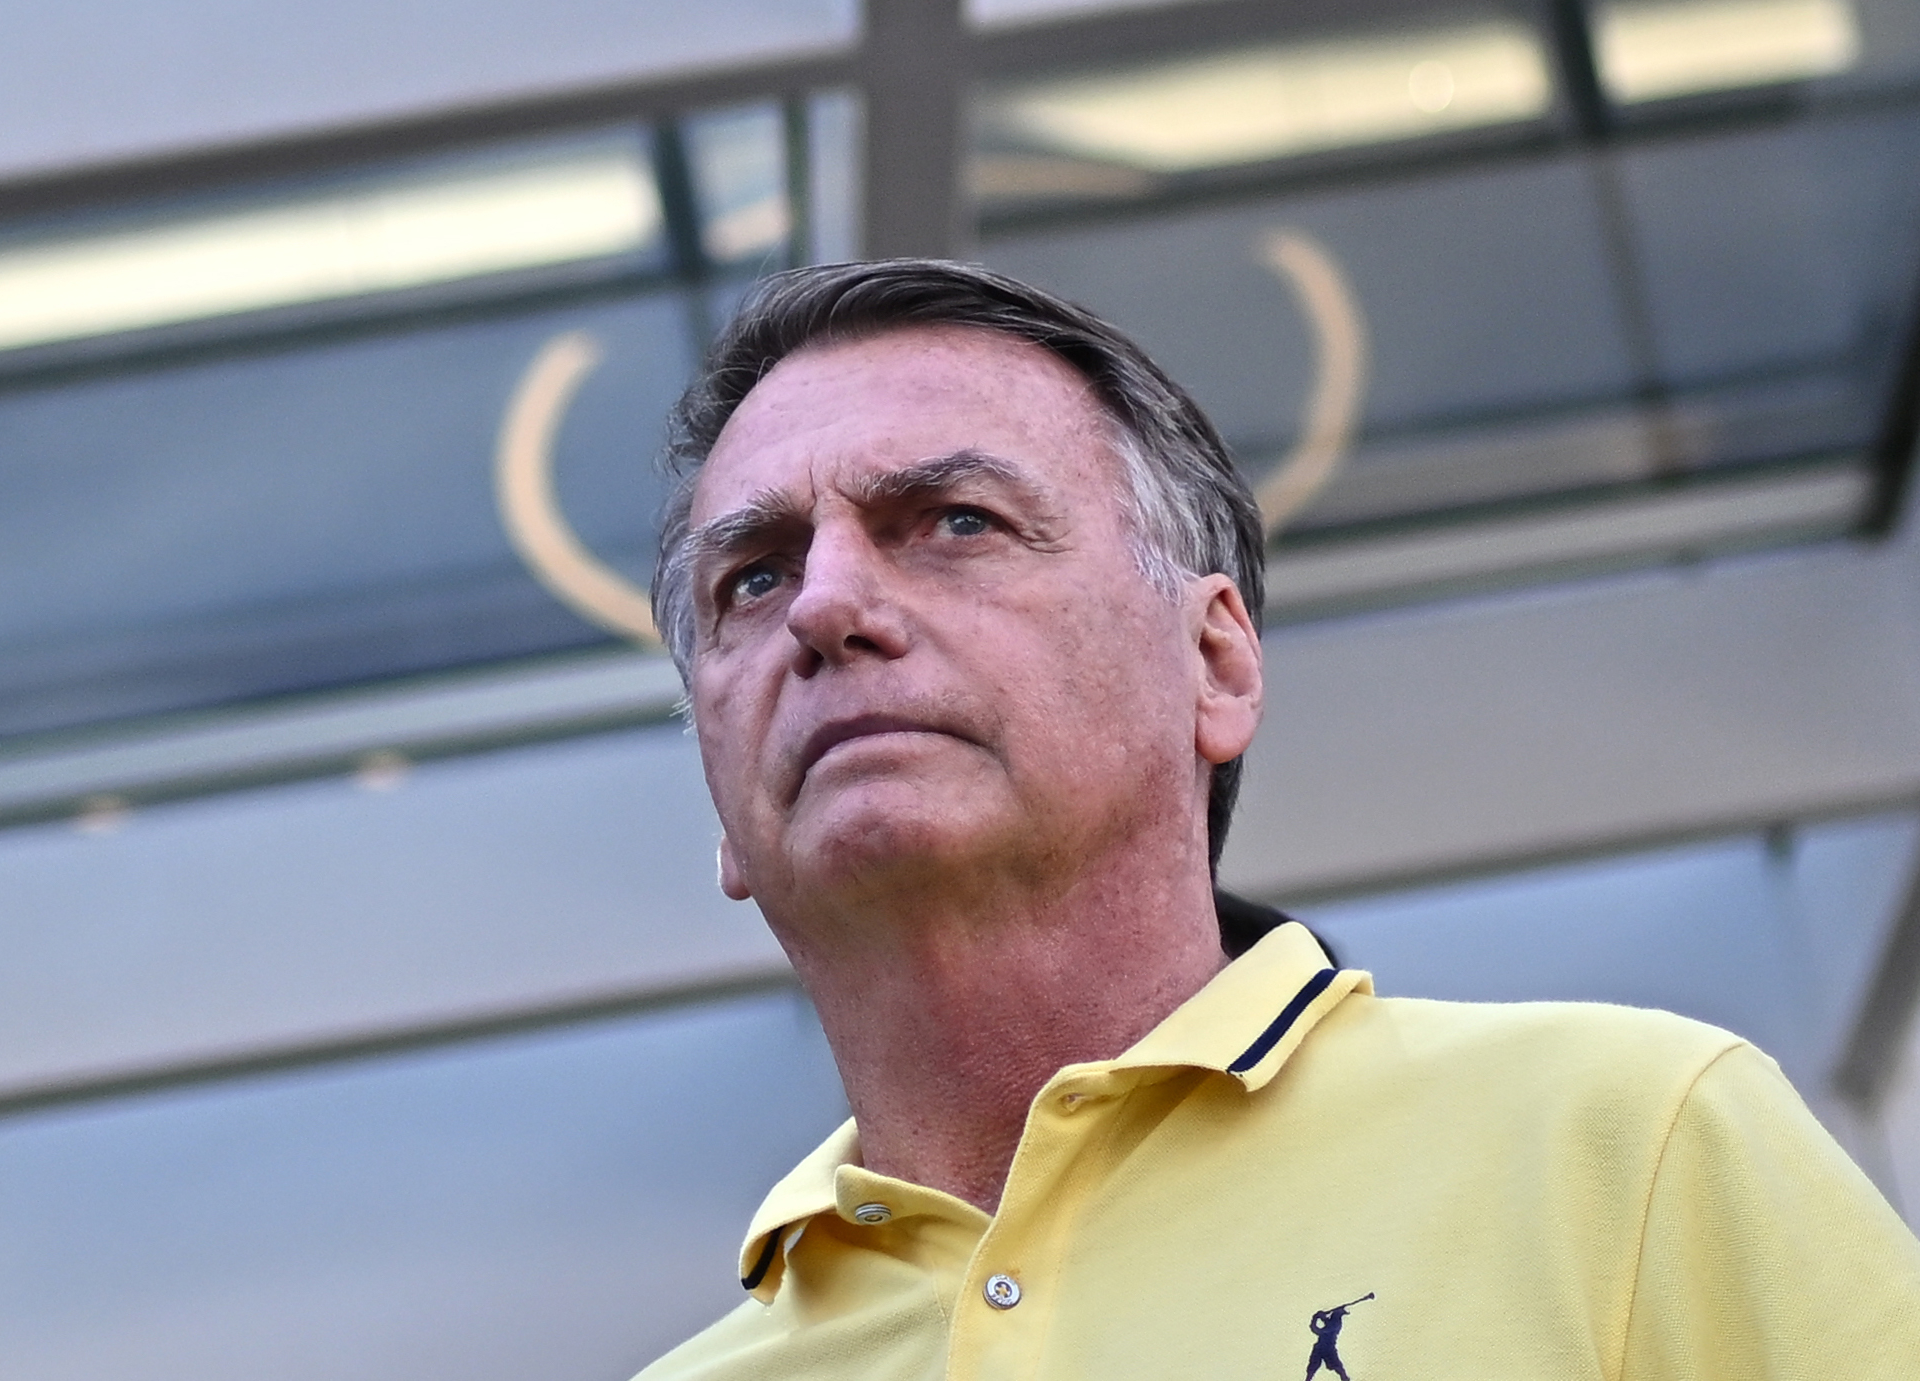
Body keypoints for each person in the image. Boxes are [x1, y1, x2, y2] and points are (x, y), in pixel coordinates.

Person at [637, 260, 1920, 1380]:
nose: (824, 606)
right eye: (754, 577)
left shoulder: (1628, 1147)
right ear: (721, 810)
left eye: (957, 522)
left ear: (1215, 663)